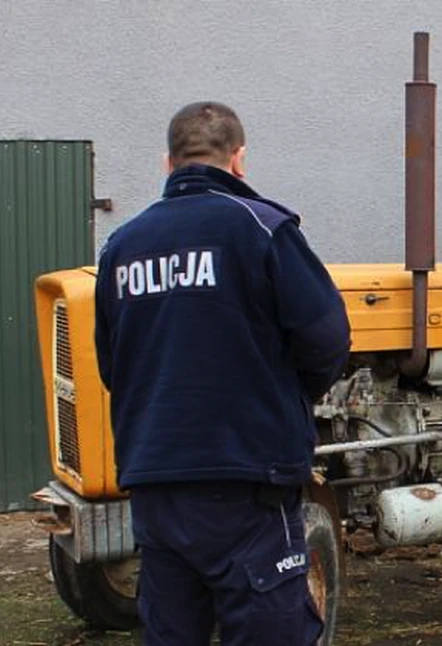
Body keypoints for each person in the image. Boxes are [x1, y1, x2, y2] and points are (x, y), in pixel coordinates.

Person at [94, 101, 351, 645]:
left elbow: (113, 364)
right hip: (247, 483)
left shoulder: (122, 247)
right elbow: (327, 340)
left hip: (156, 486)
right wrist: (285, 396)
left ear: (168, 163)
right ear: (239, 160)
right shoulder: (261, 229)